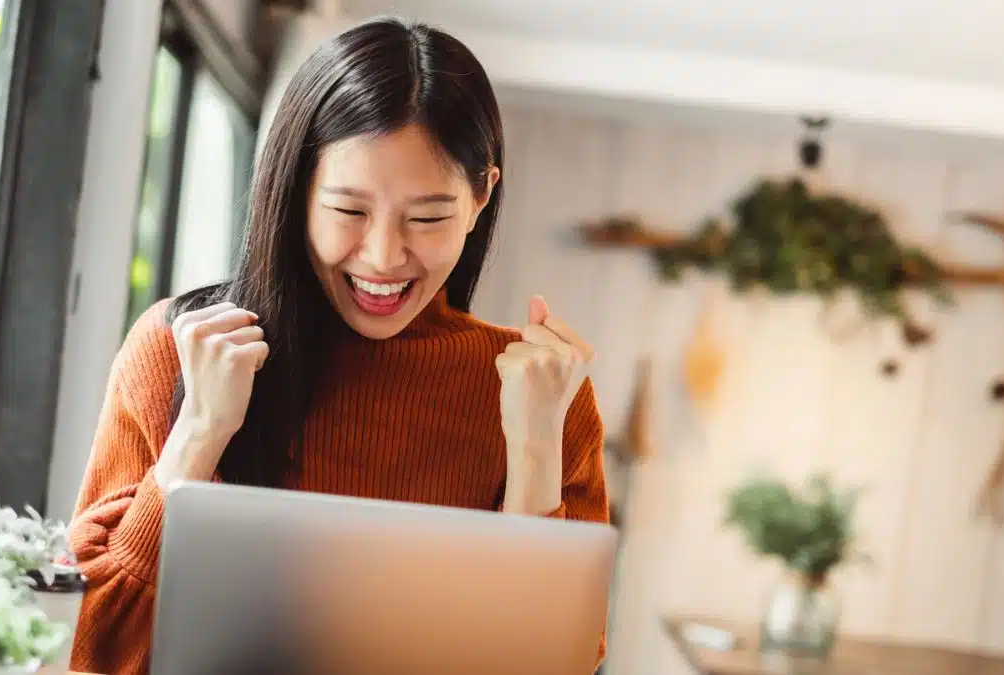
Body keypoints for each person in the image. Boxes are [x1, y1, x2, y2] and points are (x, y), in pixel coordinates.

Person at [65, 16, 610, 675]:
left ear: (481, 196)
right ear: (297, 191)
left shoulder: (548, 398)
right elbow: (92, 649)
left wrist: (531, 454)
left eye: (429, 216)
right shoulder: (178, 350)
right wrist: (199, 433)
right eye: (349, 210)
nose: (382, 256)